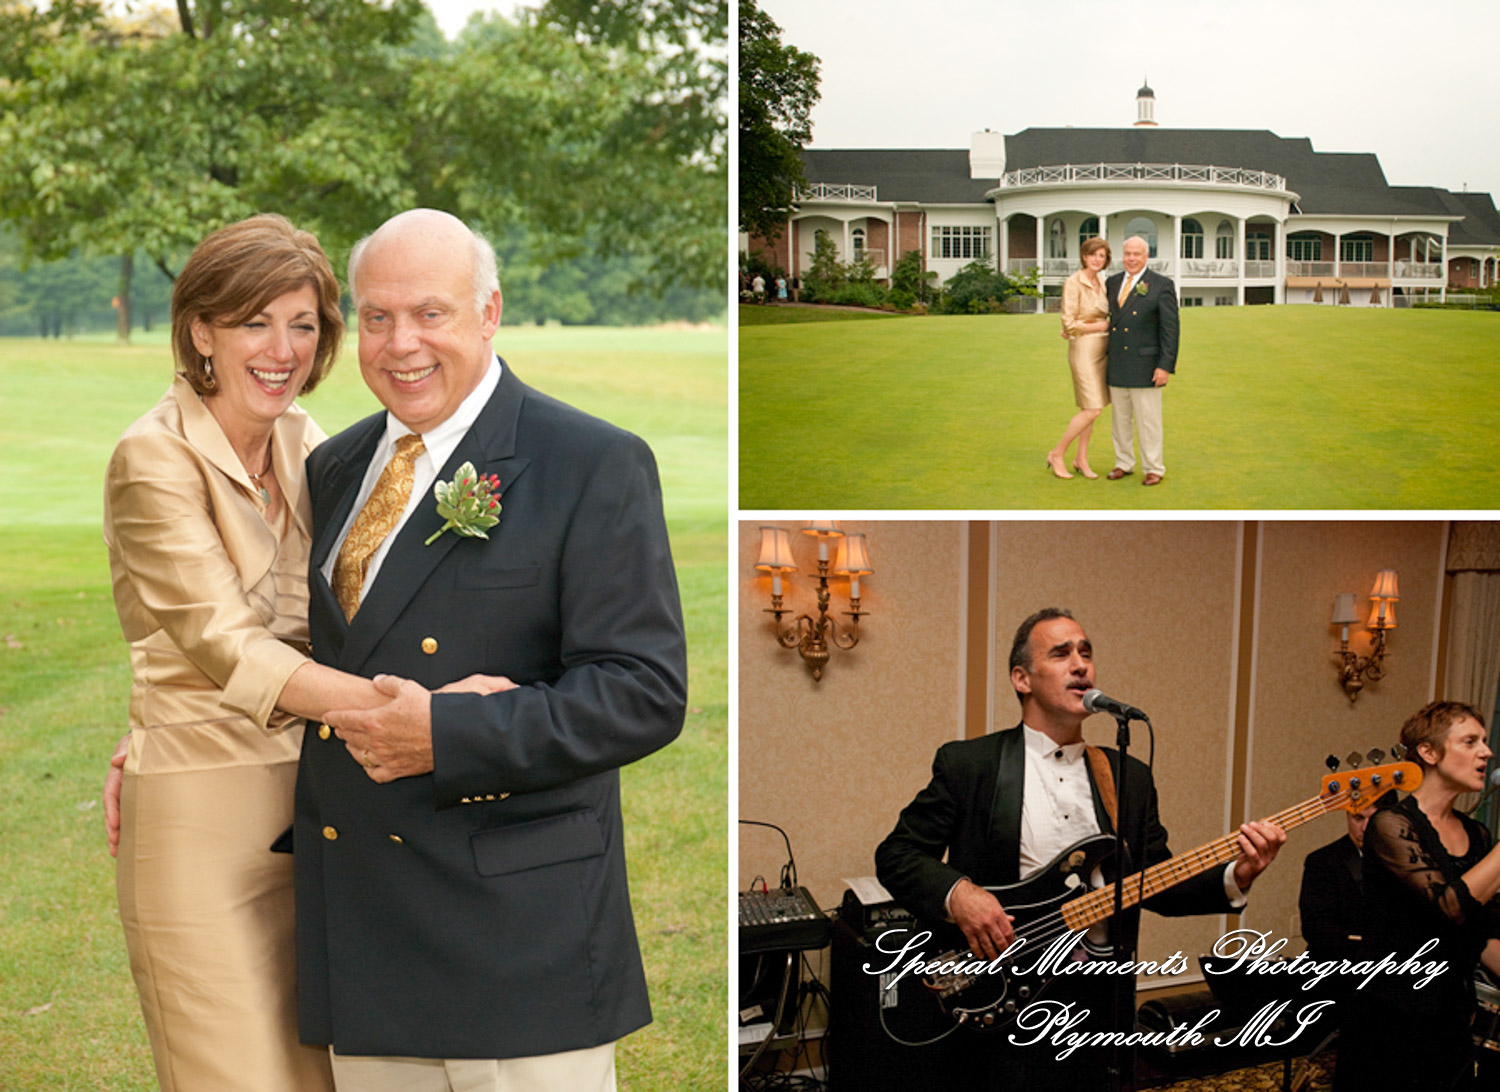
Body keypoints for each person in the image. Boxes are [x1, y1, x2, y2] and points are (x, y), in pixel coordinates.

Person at [101, 215, 506, 1092]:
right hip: (202, 831)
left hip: (324, 820)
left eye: (304, 322)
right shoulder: (153, 458)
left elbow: (364, 618)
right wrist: (423, 718)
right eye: (253, 321)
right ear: (201, 330)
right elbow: (224, 644)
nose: (281, 349)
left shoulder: (309, 442)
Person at [294, 208, 687, 1091]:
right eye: (378, 317)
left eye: (430, 313)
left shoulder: (591, 461)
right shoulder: (338, 468)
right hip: (365, 935)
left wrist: (452, 734)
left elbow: (644, 692)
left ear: (489, 312)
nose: (402, 344)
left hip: (517, 942)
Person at [874, 607, 1285, 1091]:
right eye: (1061, 653)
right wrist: (961, 895)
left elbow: (1154, 881)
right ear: (1021, 678)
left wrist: (1236, 876)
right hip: (1003, 992)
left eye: (1086, 652)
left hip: (1100, 1000)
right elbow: (898, 854)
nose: (1081, 664)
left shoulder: (1128, 775)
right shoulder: (971, 764)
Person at [1335, 701, 1500, 1092]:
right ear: (1428, 752)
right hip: (1391, 1016)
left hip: (1450, 1014)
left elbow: (1485, 933)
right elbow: (1448, 908)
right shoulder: (1391, 824)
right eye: (1470, 741)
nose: (1487, 752)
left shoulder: (1476, 835)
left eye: (1486, 741)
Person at [1104, 236, 1178, 486]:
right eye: (1127, 254)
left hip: (1146, 365)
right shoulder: (1112, 283)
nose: (1131, 259)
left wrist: (1165, 365)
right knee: (1120, 420)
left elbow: (1170, 330)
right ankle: (1123, 462)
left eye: (1137, 254)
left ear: (1147, 256)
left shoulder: (1161, 285)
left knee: (1149, 422)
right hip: (1117, 363)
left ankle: (1154, 467)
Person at [1047, 237, 1112, 480]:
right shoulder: (1073, 282)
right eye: (1093, 254)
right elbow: (1069, 324)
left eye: (1102, 256)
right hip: (1083, 349)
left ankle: (1081, 459)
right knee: (1093, 409)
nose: (1097, 259)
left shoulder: (1102, 282)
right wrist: (1100, 325)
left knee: (1091, 408)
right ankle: (1057, 453)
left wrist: (1096, 325)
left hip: (1102, 350)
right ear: (1084, 256)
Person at [1299, 802, 1376, 964]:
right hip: (1333, 970)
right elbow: (1314, 927)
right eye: (1358, 818)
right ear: (1347, 816)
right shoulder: (1322, 861)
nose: (1365, 828)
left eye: (1375, 818)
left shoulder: (1407, 861)